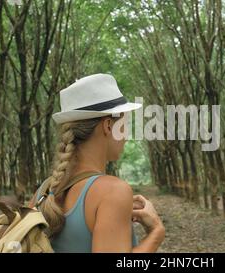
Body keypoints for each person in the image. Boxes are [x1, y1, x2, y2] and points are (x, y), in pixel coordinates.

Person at [28, 74, 165, 253]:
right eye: (125, 124)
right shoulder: (113, 191)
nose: (126, 135)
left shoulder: (43, 192)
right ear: (108, 125)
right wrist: (156, 233)